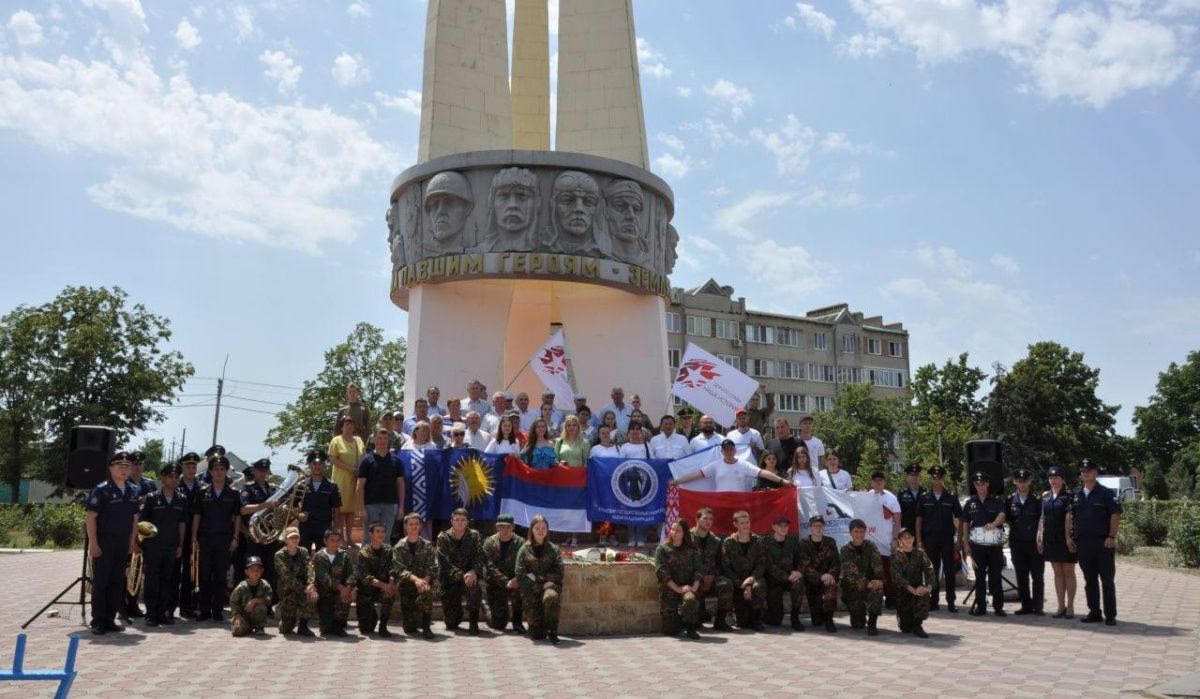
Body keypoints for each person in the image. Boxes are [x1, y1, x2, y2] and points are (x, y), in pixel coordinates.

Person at [85, 452, 141, 634]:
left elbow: (134, 519)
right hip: (104, 541)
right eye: (120, 466)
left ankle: (109, 619)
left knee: (117, 582)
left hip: (122, 542)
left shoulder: (133, 490)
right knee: (101, 582)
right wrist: (93, 543)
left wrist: (132, 542)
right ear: (110, 468)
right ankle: (98, 620)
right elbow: (91, 518)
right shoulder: (101, 489)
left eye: (127, 466)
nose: (124, 470)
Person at [1068, 459, 1122, 626]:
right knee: (1089, 579)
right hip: (1083, 543)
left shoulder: (1106, 493)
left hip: (1103, 543)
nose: (1086, 473)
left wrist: (1111, 537)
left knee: (1106, 579)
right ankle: (1094, 612)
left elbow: (1115, 514)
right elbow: (1070, 517)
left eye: (1089, 470)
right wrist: (1070, 536)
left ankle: (1110, 614)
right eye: (1083, 471)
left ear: (1096, 472)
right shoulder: (1076, 494)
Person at [191, 454, 241, 622]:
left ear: (226, 471)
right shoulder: (202, 491)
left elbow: (237, 517)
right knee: (204, 575)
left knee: (220, 576)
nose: (219, 472)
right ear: (210, 472)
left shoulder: (233, 493)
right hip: (205, 538)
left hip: (224, 540)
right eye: (216, 469)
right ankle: (204, 610)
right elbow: (197, 516)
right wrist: (194, 538)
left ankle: (218, 610)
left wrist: (235, 538)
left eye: (222, 469)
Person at [138, 462, 188, 627]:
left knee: (168, 580)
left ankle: (164, 612)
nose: (174, 480)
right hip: (153, 546)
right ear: (163, 478)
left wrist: (180, 544)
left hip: (171, 546)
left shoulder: (181, 499)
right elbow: (142, 523)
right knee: (152, 579)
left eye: (176, 477)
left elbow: (181, 523)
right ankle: (151, 614)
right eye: (170, 477)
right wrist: (140, 544)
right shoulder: (151, 498)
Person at [915, 465, 962, 612]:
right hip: (930, 539)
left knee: (949, 571)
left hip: (947, 538)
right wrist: (919, 540)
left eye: (939, 478)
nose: (936, 480)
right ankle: (933, 601)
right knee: (931, 572)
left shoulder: (951, 496)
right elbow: (919, 520)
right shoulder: (924, 497)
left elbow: (959, 518)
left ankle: (951, 602)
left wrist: (959, 539)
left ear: (943, 479)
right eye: (934, 478)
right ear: (931, 479)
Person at [962, 471, 1007, 617]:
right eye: (977, 484)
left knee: (995, 576)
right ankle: (981, 607)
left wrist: (994, 524)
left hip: (994, 546)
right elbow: (966, 523)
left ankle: (998, 607)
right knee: (979, 577)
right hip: (977, 546)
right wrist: (965, 543)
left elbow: (1002, 515)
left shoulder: (996, 500)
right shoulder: (970, 502)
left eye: (982, 484)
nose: (980, 486)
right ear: (974, 485)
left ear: (987, 484)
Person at [515, 514, 564, 643]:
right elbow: (520, 573)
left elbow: (559, 572)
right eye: (537, 528)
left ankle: (552, 632)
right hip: (531, 591)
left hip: (549, 587)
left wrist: (537, 578)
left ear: (547, 530)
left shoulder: (554, 549)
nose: (540, 531)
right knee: (536, 635)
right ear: (532, 530)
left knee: (551, 597)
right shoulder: (524, 550)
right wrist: (540, 581)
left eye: (543, 528)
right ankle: (539, 627)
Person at [436, 507, 486, 634]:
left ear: (467, 522)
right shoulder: (443, 537)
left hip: (469, 577)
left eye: (463, 520)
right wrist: (462, 575)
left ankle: (473, 622)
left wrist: (474, 571)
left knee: (473, 586)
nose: (459, 522)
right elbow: (444, 562)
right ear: (451, 521)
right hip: (450, 579)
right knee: (451, 624)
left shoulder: (474, 536)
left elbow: (480, 556)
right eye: (456, 520)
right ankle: (455, 614)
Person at [672, 439, 791, 492]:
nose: (728, 452)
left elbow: (762, 472)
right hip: (721, 501)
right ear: (722, 452)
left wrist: (782, 481)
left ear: (734, 450)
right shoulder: (716, 465)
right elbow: (697, 474)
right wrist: (678, 481)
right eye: (726, 450)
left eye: (730, 449)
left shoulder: (744, 465)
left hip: (739, 502)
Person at [122, 450, 157, 619]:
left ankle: (133, 603)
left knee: (138, 570)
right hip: (127, 532)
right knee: (126, 570)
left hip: (144, 534)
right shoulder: (124, 483)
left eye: (139, 463)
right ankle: (122, 605)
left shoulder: (150, 484)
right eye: (133, 464)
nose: (137, 466)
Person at [654, 519, 703, 639]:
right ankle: (679, 620)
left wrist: (693, 587)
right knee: (671, 631)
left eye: (678, 530)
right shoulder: (663, 549)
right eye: (672, 529)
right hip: (669, 590)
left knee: (690, 600)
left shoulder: (692, 549)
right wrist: (677, 589)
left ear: (684, 533)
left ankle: (691, 628)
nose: (674, 532)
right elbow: (662, 572)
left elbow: (699, 570)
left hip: (687, 588)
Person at [1039, 465, 1077, 618]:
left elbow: (1070, 517)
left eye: (1056, 478)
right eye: (1051, 478)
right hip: (1051, 540)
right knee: (1057, 573)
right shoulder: (1046, 496)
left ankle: (1070, 606)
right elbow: (1043, 516)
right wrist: (1039, 533)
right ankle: (1061, 605)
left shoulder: (1068, 496)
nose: (1053, 480)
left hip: (1066, 540)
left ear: (1062, 480)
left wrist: (1069, 537)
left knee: (1069, 573)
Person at [393, 512, 438, 639]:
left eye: (416, 524)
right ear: (405, 526)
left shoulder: (427, 545)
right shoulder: (399, 547)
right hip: (407, 586)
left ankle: (426, 627)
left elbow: (433, 566)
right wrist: (416, 579)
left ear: (420, 526)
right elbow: (399, 569)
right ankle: (415, 617)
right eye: (411, 524)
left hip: (424, 583)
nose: (414, 527)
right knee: (410, 629)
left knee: (426, 591)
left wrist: (425, 580)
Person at [1007, 467, 1045, 615]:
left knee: (1037, 576)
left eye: (1025, 481)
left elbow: (1042, 519)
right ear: (1015, 482)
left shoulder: (1037, 499)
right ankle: (1026, 606)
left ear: (1030, 481)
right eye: (1019, 481)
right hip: (1017, 544)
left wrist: (1041, 537)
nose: (1022, 484)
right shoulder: (1010, 500)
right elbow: (1006, 518)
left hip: (1034, 544)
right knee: (1022, 576)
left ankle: (1038, 606)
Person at [357, 428, 406, 543]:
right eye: (379, 438)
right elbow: (360, 486)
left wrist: (401, 507)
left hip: (391, 505)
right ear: (374, 440)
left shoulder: (396, 461)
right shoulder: (366, 461)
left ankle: (385, 561)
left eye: (385, 438)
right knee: (369, 538)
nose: (382, 441)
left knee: (386, 538)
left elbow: (401, 485)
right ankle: (367, 561)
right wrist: (361, 508)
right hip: (370, 505)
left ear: (389, 440)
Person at [721, 510, 766, 630]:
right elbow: (726, 568)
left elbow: (762, 564)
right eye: (742, 523)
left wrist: (750, 580)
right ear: (735, 524)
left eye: (747, 522)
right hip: (738, 583)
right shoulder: (729, 543)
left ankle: (757, 619)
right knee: (742, 623)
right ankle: (739, 614)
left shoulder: (758, 541)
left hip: (753, 579)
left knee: (759, 586)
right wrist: (741, 584)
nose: (746, 525)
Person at [840, 518, 885, 635]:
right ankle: (859, 615)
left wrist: (878, 580)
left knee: (878, 589)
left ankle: (872, 623)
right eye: (856, 531)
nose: (859, 534)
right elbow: (851, 572)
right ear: (850, 533)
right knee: (858, 625)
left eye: (861, 531)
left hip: (869, 586)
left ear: (865, 532)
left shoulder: (871, 546)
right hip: (852, 590)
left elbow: (877, 565)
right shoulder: (845, 550)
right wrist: (866, 582)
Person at [690, 508, 733, 630]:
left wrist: (712, 575)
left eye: (711, 519)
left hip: (711, 578)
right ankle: (697, 616)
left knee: (726, 584)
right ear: (697, 519)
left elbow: (720, 564)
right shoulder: (687, 539)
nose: (708, 522)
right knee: (696, 623)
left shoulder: (716, 541)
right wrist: (699, 577)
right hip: (693, 579)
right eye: (705, 518)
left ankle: (720, 621)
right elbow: (685, 562)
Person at [238, 458, 278, 589]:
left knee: (271, 570)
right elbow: (243, 510)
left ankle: (269, 602)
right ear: (254, 471)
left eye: (265, 470)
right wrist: (265, 505)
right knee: (254, 570)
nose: (263, 473)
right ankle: (250, 600)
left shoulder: (273, 489)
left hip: (271, 536)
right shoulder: (247, 488)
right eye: (260, 470)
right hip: (254, 537)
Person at [483, 513, 526, 633]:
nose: (505, 529)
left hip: (514, 581)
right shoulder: (489, 543)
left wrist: (516, 579)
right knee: (498, 625)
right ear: (497, 527)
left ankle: (517, 622)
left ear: (513, 527)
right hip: (496, 583)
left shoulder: (521, 543)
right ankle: (486, 607)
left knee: (519, 591)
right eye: (501, 526)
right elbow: (489, 566)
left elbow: (524, 564)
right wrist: (504, 581)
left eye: (508, 526)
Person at [761, 515, 805, 631]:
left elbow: (800, 560)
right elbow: (769, 566)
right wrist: (787, 576)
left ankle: (795, 618)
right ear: (774, 527)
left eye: (786, 525)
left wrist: (798, 572)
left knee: (798, 583)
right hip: (773, 581)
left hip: (790, 578)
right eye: (780, 526)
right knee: (775, 621)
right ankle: (762, 614)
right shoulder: (765, 542)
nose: (783, 528)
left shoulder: (792, 541)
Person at [798, 515, 840, 633]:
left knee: (831, 587)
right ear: (810, 527)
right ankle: (820, 615)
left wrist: (830, 575)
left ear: (823, 527)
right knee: (816, 621)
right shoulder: (804, 543)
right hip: (813, 581)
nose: (818, 528)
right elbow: (805, 566)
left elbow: (836, 563)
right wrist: (820, 576)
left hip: (828, 579)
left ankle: (829, 620)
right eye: (815, 526)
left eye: (820, 525)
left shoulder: (830, 542)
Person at [309, 528, 354, 637]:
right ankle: (328, 623)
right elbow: (324, 577)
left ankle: (339, 625)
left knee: (345, 596)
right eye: (332, 540)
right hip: (324, 593)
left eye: (337, 540)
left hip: (339, 592)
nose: (335, 543)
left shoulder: (344, 556)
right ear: (325, 541)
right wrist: (341, 587)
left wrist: (348, 587)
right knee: (326, 629)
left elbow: (352, 574)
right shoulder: (319, 557)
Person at [866, 470, 901, 608]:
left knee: (888, 572)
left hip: (886, 541)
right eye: (875, 480)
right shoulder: (866, 496)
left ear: (884, 482)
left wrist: (895, 538)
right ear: (871, 482)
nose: (878, 482)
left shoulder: (891, 498)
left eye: (880, 480)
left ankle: (891, 600)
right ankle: (874, 600)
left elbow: (897, 520)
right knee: (872, 572)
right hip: (871, 541)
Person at [356, 521, 398, 637]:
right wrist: (385, 585)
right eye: (377, 531)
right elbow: (365, 577)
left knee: (390, 593)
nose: (381, 534)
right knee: (366, 629)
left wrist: (390, 583)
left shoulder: (389, 551)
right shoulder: (363, 553)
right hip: (367, 591)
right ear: (371, 534)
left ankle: (383, 626)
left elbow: (393, 570)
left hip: (382, 589)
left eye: (383, 532)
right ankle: (371, 614)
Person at [175, 452, 204, 619]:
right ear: (182, 468)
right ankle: (169, 606)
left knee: (192, 571)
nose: (191, 469)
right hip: (178, 534)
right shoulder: (175, 485)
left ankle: (189, 605)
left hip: (197, 534)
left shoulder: (202, 487)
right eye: (188, 466)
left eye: (194, 466)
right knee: (173, 572)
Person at [890, 528, 934, 637]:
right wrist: (911, 589)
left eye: (910, 537)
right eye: (905, 538)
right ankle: (903, 618)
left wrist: (928, 587)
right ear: (900, 541)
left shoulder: (920, 553)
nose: (908, 540)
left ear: (914, 539)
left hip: (917, 589)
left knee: (924, 594)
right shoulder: (896, 555)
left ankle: (918, 625)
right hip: (903, 591)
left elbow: (930, 571)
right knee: (905, 628)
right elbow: (897, 577)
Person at [328, 416, 364, 545]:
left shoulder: (359, 440)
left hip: (355, 480)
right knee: (340, 511)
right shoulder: (336, 440)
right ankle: (340, 538)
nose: (349, 426)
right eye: (346, 424)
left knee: (351, 511)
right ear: (341, 427)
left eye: (351, 424)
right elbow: (332, 459)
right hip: (341, 480)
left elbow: (362, 457)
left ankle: (349, 537)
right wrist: (349, 468)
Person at [274, 527, 316, 636]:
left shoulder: (304, 551)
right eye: (291, 537)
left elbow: (310, 569)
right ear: (285, 540)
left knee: (313, 596)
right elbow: (287, 577)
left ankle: (303, 626)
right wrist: (304, 589)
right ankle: (285, 623)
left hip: (303, 589)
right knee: (286, 630)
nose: (294, 540)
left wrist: (311, 584)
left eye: (296, 537)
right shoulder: (279, 555)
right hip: (287, 592)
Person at [298, 450, 342, 552]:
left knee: (323, 558)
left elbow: (336, 509)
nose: (317, 466)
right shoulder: (301, 485)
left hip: (324, 527)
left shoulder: (332, 486)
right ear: (309, 465)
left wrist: (335, 529)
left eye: (321, 463)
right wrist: (298, 515)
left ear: (324, 466)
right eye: (314, 463)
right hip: (305, 527)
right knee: (303, 557)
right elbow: (294, 506)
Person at [229, 556, 273, 636]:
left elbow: (268, 600)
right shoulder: (241, 586)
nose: (255, 572)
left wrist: (255, 601)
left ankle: (259, 627)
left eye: (258, 569)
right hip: (243, 614)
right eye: (252, 569)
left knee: (261, 606)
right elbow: (233, 603)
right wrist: (237, 616)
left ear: (262, 571)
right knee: (237, 631)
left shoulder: (265, 585)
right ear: (246, 572)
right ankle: (248, 627)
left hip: (257, 615)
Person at [898, 465, 926, 532]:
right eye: (911, 475)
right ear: (907, 478)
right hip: (907, 533)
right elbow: (898, 516)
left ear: (920, 477)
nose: (914, 477)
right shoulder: (901, 495)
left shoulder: (927, 495)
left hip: (924, 533)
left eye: (916, 475)